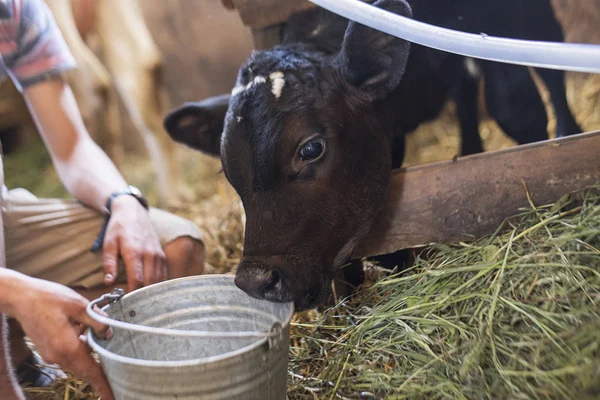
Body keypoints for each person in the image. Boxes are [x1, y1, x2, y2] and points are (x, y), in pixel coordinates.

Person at [0, 0, 206, 399]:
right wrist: (16, 294)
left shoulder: (17, 11)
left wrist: (124, 202)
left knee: (173, 248)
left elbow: (71, 144)